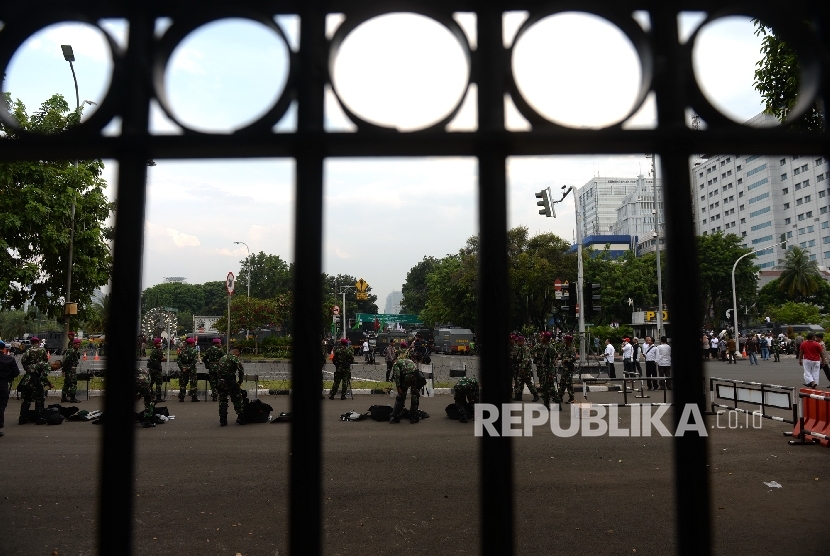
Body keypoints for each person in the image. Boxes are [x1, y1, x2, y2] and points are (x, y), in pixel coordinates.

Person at [215, 347, 246, 426]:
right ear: (235, 352)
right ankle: (241, 418)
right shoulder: (234, 358)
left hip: (220, 382)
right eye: (238, 353)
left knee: (222, 400)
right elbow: (241, 370)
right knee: (237, 399)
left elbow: (217, 370)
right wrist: (240, 381)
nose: (238, 355)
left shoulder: (222, 358)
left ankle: (223, 420)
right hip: (230, 382)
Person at [389, 349, 421, 424]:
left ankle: (395, 416)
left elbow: (397, 376)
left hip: (407, 377)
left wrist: (398, 387)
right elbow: (415, 368)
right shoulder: (408, 360)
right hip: (416, 376)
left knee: (401, 397)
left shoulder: (396, 364)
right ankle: (414, 417)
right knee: (415, 396)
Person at [0, 341, 22, 437]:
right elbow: (16, 372)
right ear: (4, 349)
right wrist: (8, 377)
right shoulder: (9, 359)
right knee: (1, 406)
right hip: (2, 385)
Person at [512, 336, 539, 402]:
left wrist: (523, 367)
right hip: (521, 367)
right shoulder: (521, 348)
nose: (517, 342)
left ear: (522, 341)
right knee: (519, 382)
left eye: (518, 341)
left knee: (528, 382)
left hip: (525, 368)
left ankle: (535, 395)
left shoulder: (525, 348)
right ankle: (519, 396)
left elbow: (526, 359)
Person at [534, 332, 557, 408]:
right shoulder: (546, 347)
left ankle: (558, 402)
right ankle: (546, 404)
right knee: (544, 387)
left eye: (543, 337)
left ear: (546, 338)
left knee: (550, 388)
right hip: (544, 370)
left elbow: (551, 361)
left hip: (548, 371)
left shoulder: (550, 348)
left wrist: (551, 373)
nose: (541, 338)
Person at [59, 337, 82, 403]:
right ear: (74, 344)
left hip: (70, 369)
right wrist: (64, 368)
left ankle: (63, 397)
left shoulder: (74, 351)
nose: (78, 345)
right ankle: (72, 398)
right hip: (70, 369)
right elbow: (67, 360)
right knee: (73, 383)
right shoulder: (71, 351)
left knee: (67, 383)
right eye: (77, 344)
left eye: (79, 344)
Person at [556, 334, 577, 404]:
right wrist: (557, 358)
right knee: (562, 383)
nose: (564, 341)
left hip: (569, 369)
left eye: (565, 340)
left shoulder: (572, 349)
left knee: (569, 384)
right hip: (565, 369)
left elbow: (574, 358)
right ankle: (559, 397)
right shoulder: (565, 348)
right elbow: (561, 355)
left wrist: (566, 360)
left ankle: (572, 398)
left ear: (569, 341)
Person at [177, 337, 199, 402]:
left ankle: (182, 397)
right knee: (193, 383)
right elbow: (194, 361)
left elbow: (178, 360)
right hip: (192, 369)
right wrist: (189, 367)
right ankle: (194, 397)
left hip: (183, 369)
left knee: (183, 383)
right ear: (191, 343)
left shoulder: (182, 351)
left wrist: (182, 367)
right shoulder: (194, 351)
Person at [147, 338, 166, 402]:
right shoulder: (158, 351)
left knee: (151, 382)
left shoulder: (153, 350)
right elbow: (162, 359)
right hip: (157, 369)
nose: (160, 344)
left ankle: (150, 395)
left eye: (160, 343)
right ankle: (158, 397)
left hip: (152, 368)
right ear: (156, 344)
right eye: (159, 343)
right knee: (158, 383)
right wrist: (164, 357)